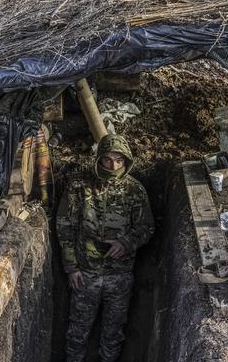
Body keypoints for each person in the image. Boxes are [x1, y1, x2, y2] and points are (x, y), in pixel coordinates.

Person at [56, 134, 154, 362]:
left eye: (119, 160)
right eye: (108, 159)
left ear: (126, 161)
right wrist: (71, 267)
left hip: (119, 277)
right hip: (85, 274)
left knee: (113, 333)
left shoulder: (134, 190)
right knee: (77, 331)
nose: (113, 165)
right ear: (98, 159)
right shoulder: (79, 187)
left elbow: (147, 227)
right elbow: (65, 226)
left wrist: (126, 243)